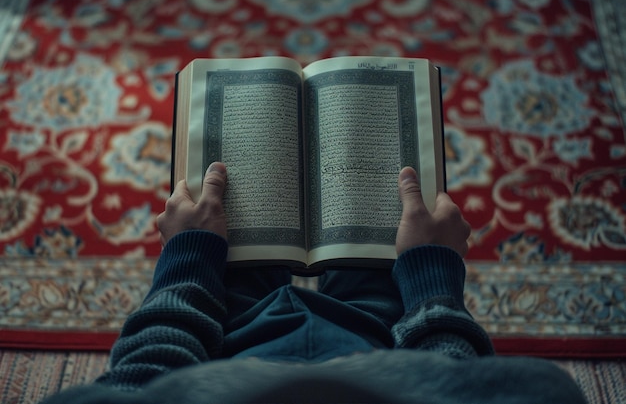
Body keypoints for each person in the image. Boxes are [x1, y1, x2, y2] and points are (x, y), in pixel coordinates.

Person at [41, 163, 586, 404]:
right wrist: (431, 275)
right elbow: (456, 375)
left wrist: (189, 258)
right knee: (369, 229)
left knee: (240, 221)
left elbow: (145, 375)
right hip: (373, 341)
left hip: (234, 345)